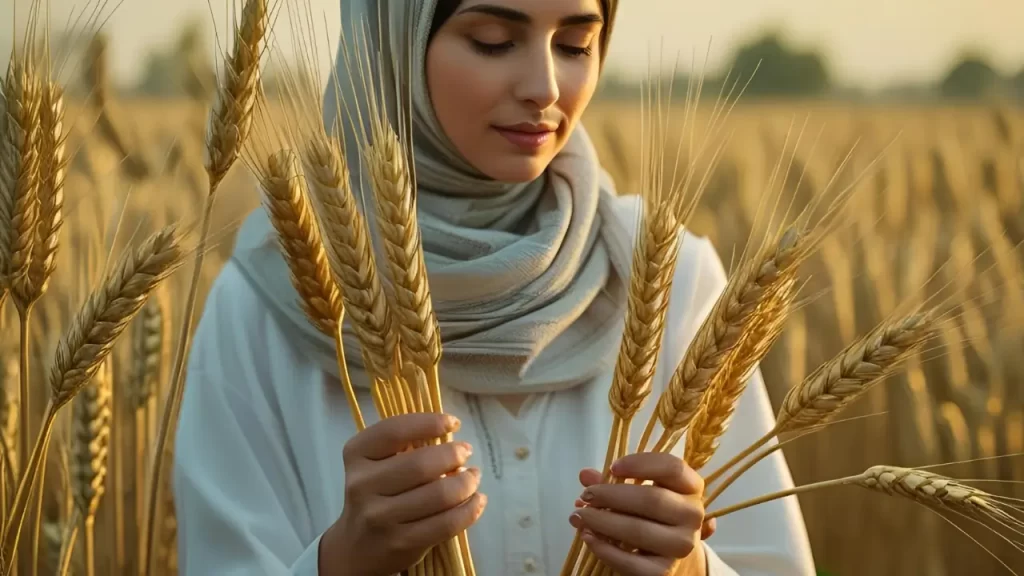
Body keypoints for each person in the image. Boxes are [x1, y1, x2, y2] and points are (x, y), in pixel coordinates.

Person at [172, 1, 817, 574]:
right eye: (491, 40)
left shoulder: (671, 277)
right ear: (394, 40)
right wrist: (339, 563)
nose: (544, 87)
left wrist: (692, 571)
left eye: (575, 45)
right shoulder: (262, 306)